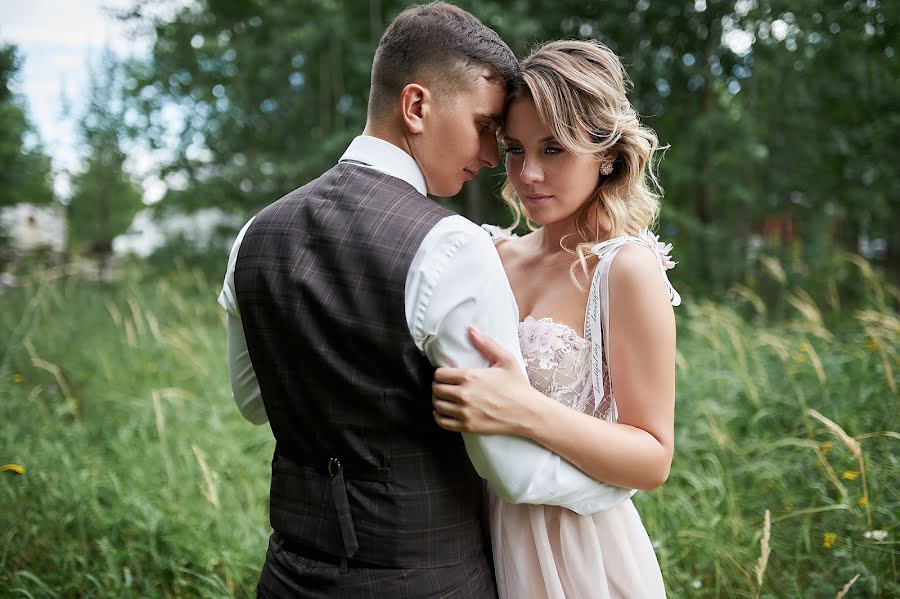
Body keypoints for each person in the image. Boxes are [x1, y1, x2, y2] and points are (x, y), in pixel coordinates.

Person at [217, 6, 634, 598]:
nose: (493, 157)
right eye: (485, 126)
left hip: (287, 577)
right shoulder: (454, 246)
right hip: (426, 580)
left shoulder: (256, 232)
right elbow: (510, 472)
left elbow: (254, 401)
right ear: (416, 107)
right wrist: (618, 490)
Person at [431, 39, 680, 598]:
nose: (530, 174)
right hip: (471, 540)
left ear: (608, 154)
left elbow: (652, 458)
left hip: (575, 551)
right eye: (516, 150)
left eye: (554, 149)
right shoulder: (494, 257)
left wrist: (525, 411)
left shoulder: (625, 270)